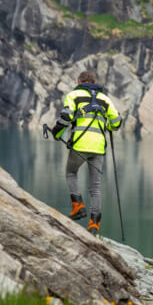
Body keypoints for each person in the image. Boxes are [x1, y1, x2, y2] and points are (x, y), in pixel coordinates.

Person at [50, 70, 122, 235]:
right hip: (98, 147)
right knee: (95, 187)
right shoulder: (105, 99)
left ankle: (78, 206)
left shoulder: (74, 95)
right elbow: (116, 123)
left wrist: (57, 132)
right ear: (94, 81)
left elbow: (66, 117)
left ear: (79, 81)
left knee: (71, 173)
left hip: (79, 144)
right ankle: (94, 224)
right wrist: (108, 126)